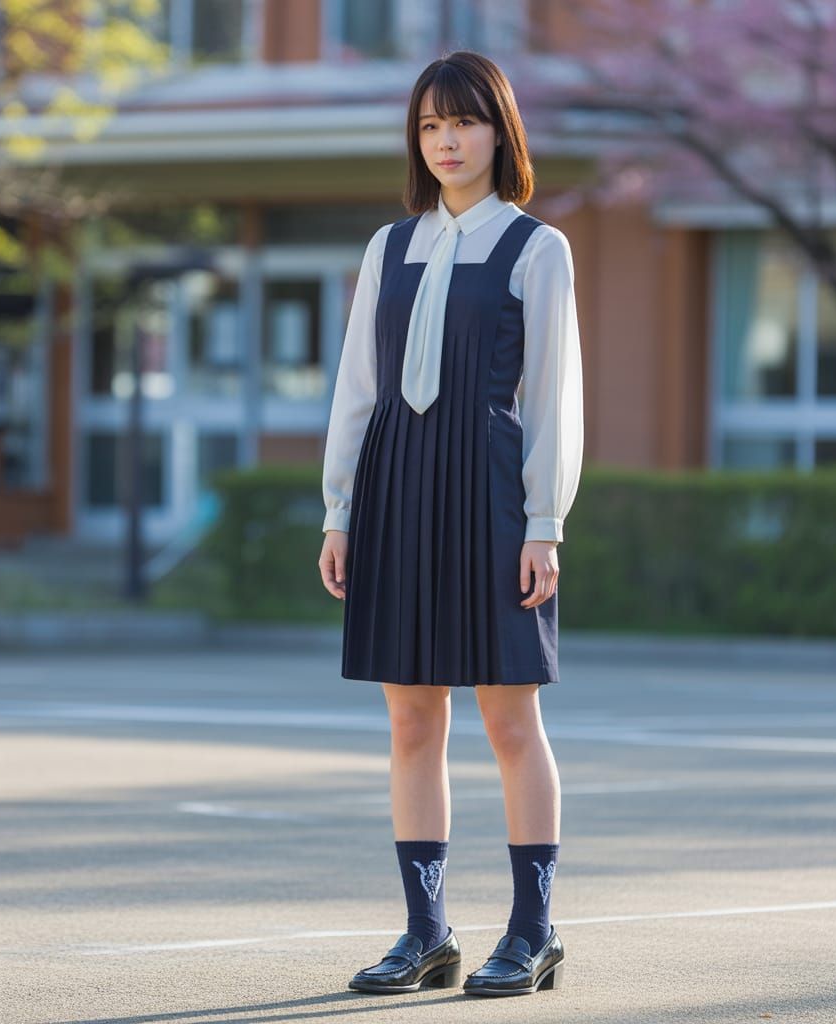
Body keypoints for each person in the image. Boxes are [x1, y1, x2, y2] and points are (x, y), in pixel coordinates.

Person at [317, 50, 583, 998]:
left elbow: (553, 397)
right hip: (396, 486)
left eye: (463, 122)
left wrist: (544, 522)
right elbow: (358, 387)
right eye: (430, 125)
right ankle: (426, 934)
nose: (446, 141)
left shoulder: (536, 249)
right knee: (410, 716)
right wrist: (339, 510)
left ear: (499, 134)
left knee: (509, 718)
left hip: (491, 490)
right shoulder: (389, 248)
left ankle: (534, 932)